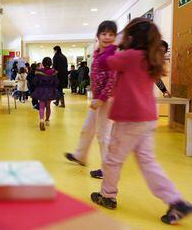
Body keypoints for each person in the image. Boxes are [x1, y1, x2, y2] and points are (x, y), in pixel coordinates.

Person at [90, 18, 192, 225]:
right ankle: (176, 201)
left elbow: (103, 62)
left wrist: (112, 45)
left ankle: (107, 195)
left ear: (130, 37)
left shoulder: (129, 56)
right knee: (148, 161)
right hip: (147, 119)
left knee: (113, 159)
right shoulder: (153, 57)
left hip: (129, 118)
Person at [65, 20, 118, 179]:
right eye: (104, 34)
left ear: (114, 37)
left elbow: (113, 79)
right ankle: (80, 155)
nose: (107, 37)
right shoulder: (98, 53)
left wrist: (102, 98)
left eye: (111, 34)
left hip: (106, 100)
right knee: (87, 129)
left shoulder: (112, 54)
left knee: (103, 136)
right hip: (98, 99)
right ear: (98, 36)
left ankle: (107, 170)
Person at [31, 57, 58, 131]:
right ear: (50, 63)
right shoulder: (54, 72)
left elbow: (35, 82)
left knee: (41, 106)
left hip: (41, 90)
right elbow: (56, 83)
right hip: (50, 90)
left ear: (43, 63)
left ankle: (41, 120)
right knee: (48, 106)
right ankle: (47, 120)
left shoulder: (39, 72)